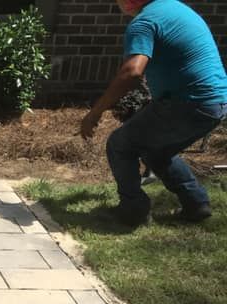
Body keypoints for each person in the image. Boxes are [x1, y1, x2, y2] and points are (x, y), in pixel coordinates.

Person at [80, 0, 227, 226]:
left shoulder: (144, 22)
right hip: (215, 103)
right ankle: (196, 204)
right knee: (156, 151)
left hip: (187, 103)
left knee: (120, 144)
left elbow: (132, 72)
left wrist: (95, 113)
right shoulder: (174, 8)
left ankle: (132, 211)